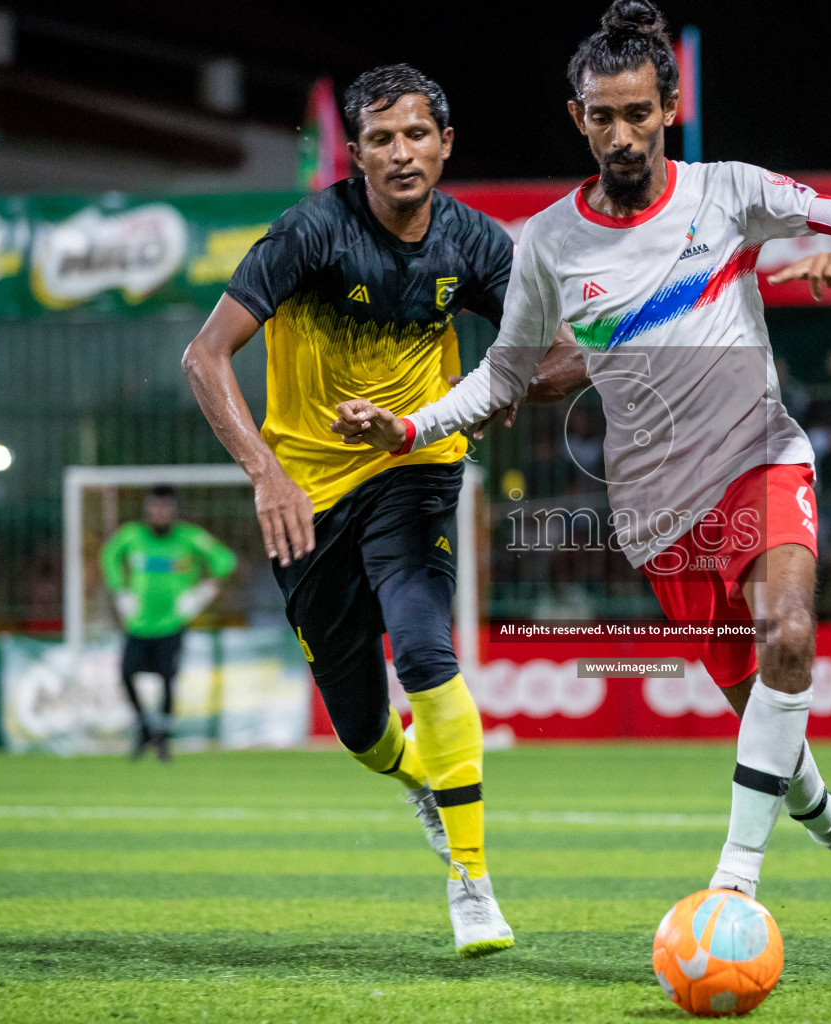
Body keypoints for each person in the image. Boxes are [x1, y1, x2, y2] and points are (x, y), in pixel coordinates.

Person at [336, 2, 831, 901]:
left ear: (669, 107)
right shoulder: (546, 242)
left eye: (639, 113)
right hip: (658, 515)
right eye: (603, 116)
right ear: (579, 117)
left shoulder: (728, 191)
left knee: (791, 634)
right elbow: (505, 373)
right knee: (767, 721)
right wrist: (412, 425)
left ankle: (733, 888)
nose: (622, 134)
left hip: (759, 456)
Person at [181, 65, 577, 956]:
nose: (402, 152)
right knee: (360, 732)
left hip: (416, 465)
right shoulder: (311, 232)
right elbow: (204, 358)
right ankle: (419, 782)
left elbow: (567, 352)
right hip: (307, 498)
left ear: (445, 143)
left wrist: (510, 385)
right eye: (382, 139)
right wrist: (265, 473)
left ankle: (472, 883)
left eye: (417, 135)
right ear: (354, 152)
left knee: (427, 644)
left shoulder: (476, 245)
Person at [100, 486, 236, 761]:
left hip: (172, 623)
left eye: (165, 508)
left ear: (173, 510)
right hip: (137, 623)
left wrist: (205, 590)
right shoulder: (131, 536)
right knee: (127, 674)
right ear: (147, 510)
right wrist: (120, 590)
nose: (159, 514)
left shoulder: (190, 537)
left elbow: (225, 560)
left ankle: (161, 738)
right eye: (154, 508)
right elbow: (109, 557)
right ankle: (143, 725)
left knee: (167, 678)